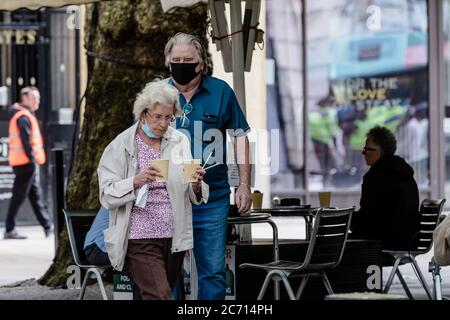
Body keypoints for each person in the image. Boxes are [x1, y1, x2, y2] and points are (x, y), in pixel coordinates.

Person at [97, 79, 208, 300]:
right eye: (157, 117)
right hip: (140, 235)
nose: (163, 123)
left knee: (151, 294)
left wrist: (196, 183)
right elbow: (106, 194)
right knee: (160, 296)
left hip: (173, 234)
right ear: (143, 114)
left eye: (169, 117)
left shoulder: (179, 141)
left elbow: (192, 192)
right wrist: (135, 181)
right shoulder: (121, 144)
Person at [164, 32, 252, 300]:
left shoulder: (221, 91)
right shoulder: (157, 94)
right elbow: (141, 140)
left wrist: (244, 184)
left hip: (212, 196)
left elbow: (239, 138)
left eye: (187, 60)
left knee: (213, 272)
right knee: (169, 271)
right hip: (168, 197)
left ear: (201, 64)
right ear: (168, 63)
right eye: (176, 59)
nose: (181, 64)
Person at [350, 126, 420, 250]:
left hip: (384, 241)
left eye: (366, 149)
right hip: (409, 240)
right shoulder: (405, 173)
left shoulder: (375, 177)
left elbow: (369, 217)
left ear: (378, 152)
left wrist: (347, 220)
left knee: (334, 245)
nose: (363, 153)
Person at [4, 86, 52, 240]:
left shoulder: (24, 115)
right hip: (25, 164)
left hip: (25, 163)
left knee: (35, 195)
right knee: (19, 196)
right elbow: (26, 142)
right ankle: (9, 229)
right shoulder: (23, 117)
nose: (37, 101)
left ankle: (47, 225)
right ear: (24, 98)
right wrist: (32, 160)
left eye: (38, 98)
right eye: (34, 98)